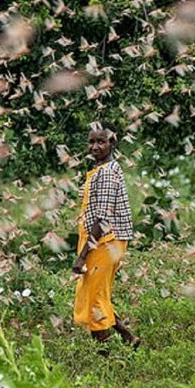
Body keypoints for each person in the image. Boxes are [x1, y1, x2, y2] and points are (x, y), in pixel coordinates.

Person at [72, 121, 141, 350]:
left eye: (101, 141)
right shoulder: (100, 170)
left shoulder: (107, 174)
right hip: (102, 242)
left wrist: (82, 257)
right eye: (91, 141)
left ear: (113, 142)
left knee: (94, 302)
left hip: (104, 242)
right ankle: (128, 338)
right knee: (97, 293)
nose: (95, 146)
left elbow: (102, 220)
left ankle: (108, 359)